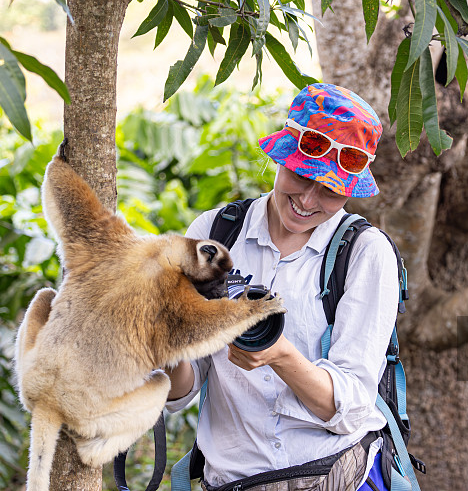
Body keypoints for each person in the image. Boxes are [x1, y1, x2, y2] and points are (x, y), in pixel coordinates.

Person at [165, 83, 400, 491]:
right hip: (232, 479)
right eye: (300, 176)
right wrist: (167, 337)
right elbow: (183, 389)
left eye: (330, 191)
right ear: (281, 158)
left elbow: (350, 409)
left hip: (335, 475)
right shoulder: (215, 235)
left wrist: (282, 356)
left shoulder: (364, 253)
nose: (308, 200)